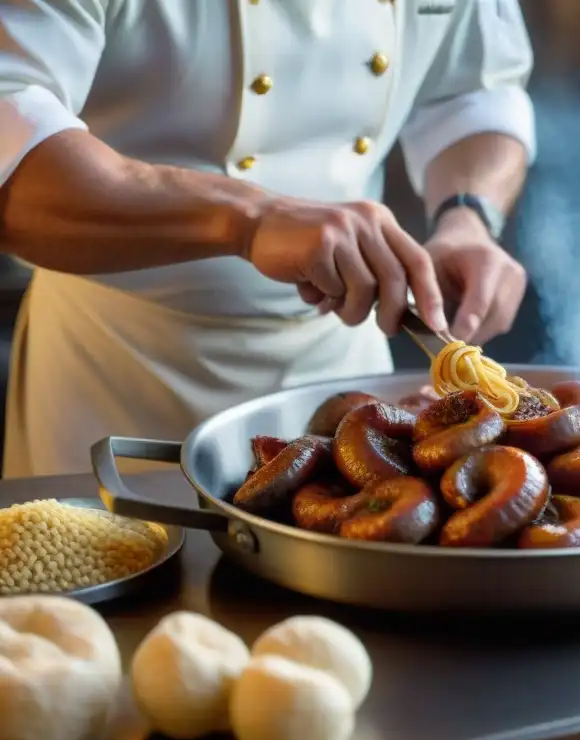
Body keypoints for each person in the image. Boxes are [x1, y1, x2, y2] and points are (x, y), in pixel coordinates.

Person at [0, 0, 535, 478]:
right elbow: (13, 154)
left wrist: (467, 216)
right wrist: (251, 217)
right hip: (116, 372)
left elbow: (474, 90)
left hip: (343, 375)